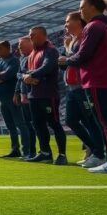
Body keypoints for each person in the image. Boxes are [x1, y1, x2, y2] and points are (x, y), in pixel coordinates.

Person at [62, 0, 107, 173]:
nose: (80, 11)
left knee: (105, 122)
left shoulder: (93, 26)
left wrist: (65, 60)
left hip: (97, 78)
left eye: (82, 7)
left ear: (93, 7)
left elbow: (83, 55)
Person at [60, 11, 105, 168]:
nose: (65, 25)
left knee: (91, 120)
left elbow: (81, 57)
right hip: (72, 87)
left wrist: (67, 55)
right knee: (71, 120)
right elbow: (66, 62)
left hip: (83, 86)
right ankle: (94, 149)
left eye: (67, 21)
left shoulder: (84, 37)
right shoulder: (72, 40)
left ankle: (99, 153)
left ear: (78, 22)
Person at [23, 27, 67, 165]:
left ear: (42, 35)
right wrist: (26, 76)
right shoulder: (32, 53)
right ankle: (45, 153)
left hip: (48, 94)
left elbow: (47, 67)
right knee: (38, 125)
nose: (30, 38)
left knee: (54, 124)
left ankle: (62, 154)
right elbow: (20, 72)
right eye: (30, 36)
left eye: (33, 35)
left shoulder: (51, 50)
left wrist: (30, 75)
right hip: (33, 95)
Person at [0, 41, 31, 158]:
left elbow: (9, 74)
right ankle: (15, 149)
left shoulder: (14, 60)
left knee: (20, 125)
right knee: (10, 126)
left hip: (12, 97)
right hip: (1, 99)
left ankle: (26, 151)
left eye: (0, 48)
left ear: (8, 48)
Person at [14, 37, 37, 160]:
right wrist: (17, 92)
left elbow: (30, 73)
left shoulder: (35, 55)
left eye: (21, 45)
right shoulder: (22, 58)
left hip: (34, 94)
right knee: (28, 125)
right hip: (24, 95)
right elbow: (18, 75)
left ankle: (43, 151)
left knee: (36, 125)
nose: (19, 47)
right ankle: (31, 152)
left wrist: (23, 75)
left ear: (30, 43)